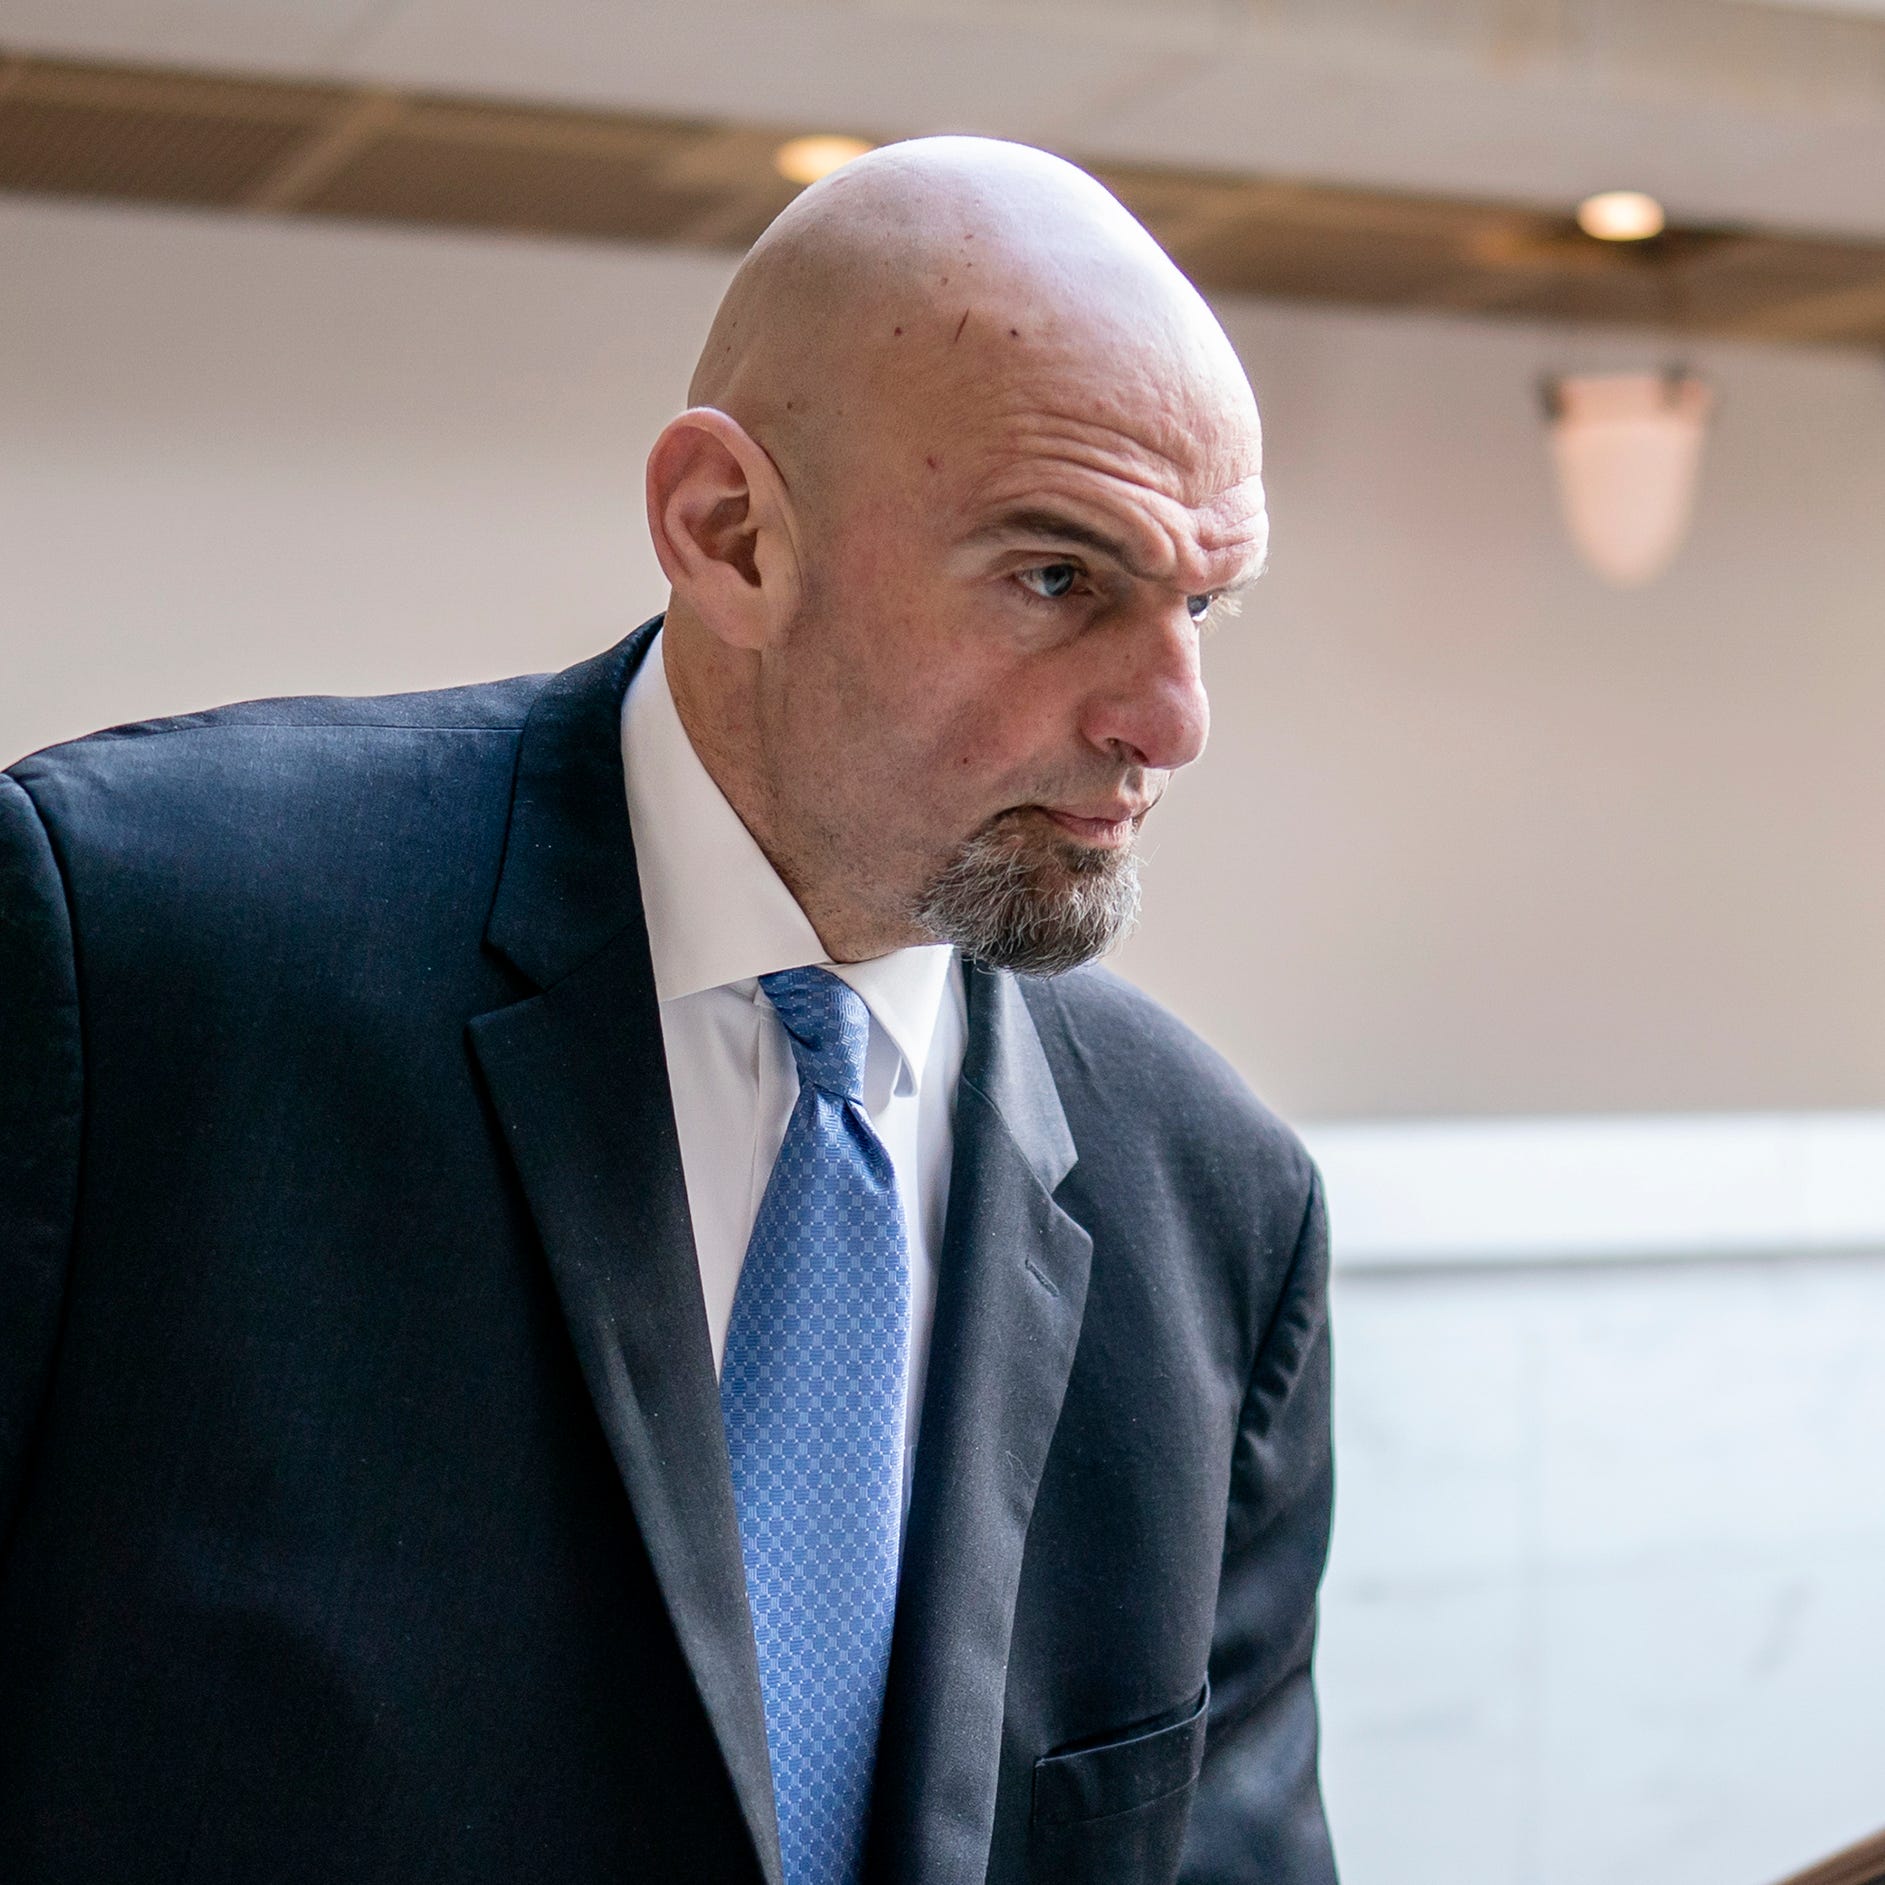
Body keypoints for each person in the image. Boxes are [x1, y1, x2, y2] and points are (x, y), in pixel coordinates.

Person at [0, 137, 1336, 1885]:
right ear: (728, 534)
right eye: (1057, 577)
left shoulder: (1215, 1201)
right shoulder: (133, 947)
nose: (1172, 719)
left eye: (1203, 604)